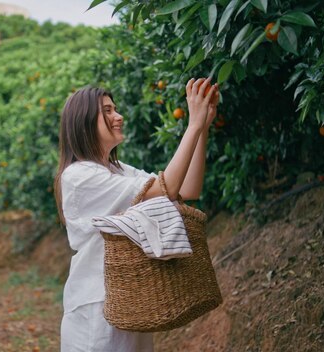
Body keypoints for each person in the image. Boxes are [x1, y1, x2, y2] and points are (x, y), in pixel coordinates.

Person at [54, 77, 220, 351]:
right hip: (97, 307)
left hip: (132, 299)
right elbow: (167, 187)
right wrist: (192, 124)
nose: (118, 116)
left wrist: (202, 128)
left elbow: (187, 189)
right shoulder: (79, 176)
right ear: (83, 121)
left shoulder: (118, 171)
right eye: (107, 110)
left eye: (115, 109)